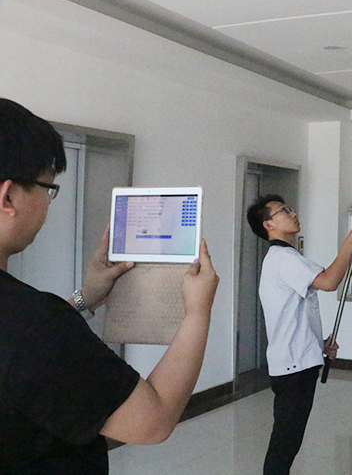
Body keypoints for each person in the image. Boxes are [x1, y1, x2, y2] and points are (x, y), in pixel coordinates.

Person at [0, 98, 219, 473]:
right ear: (8, 197)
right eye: (48, 188)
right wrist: (198, 312)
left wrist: (84, 298)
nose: (49, 203)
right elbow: (153, 420)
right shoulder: (34, 324)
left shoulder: (33, 326)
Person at [246, 195, 352, 475]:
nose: (293, 213)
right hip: (293, 367)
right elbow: (329, 281)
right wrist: (349, 244)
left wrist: (318, 344)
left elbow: (294, 314)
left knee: (288, 440)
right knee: (285, 442)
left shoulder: (287, 258)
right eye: (283, 211)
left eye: (290, 208)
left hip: (298, 360)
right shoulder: (283, 258)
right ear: (269, 225)